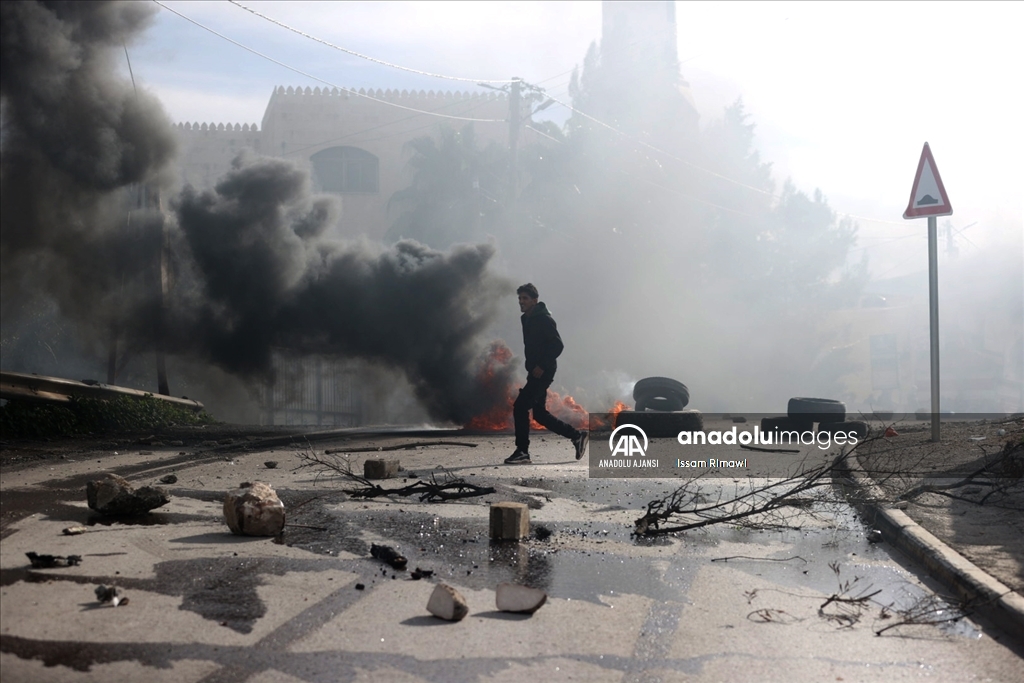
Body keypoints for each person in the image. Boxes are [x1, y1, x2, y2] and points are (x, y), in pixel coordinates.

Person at [504, 283, 589, 464]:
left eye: (525, 298)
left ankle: (522, 451)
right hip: (534, 371)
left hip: (543, 371)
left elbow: (557, 345)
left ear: (535, 300)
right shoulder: (525, 319)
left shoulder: (543, 319)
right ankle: (577, 436)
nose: (521, 302)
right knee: (540, 415)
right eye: (519, 298)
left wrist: (541, 366)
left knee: (520, 406)